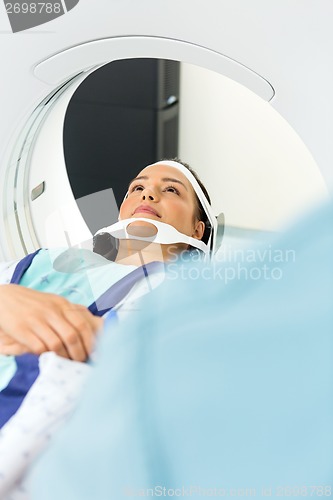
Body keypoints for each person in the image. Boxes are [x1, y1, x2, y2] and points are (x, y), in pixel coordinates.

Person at [0, 159, 212, 363]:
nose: (147, 193)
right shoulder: (46, 260)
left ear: (197, 230)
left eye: (171, 189)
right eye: (137, 188)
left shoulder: (192, 303)